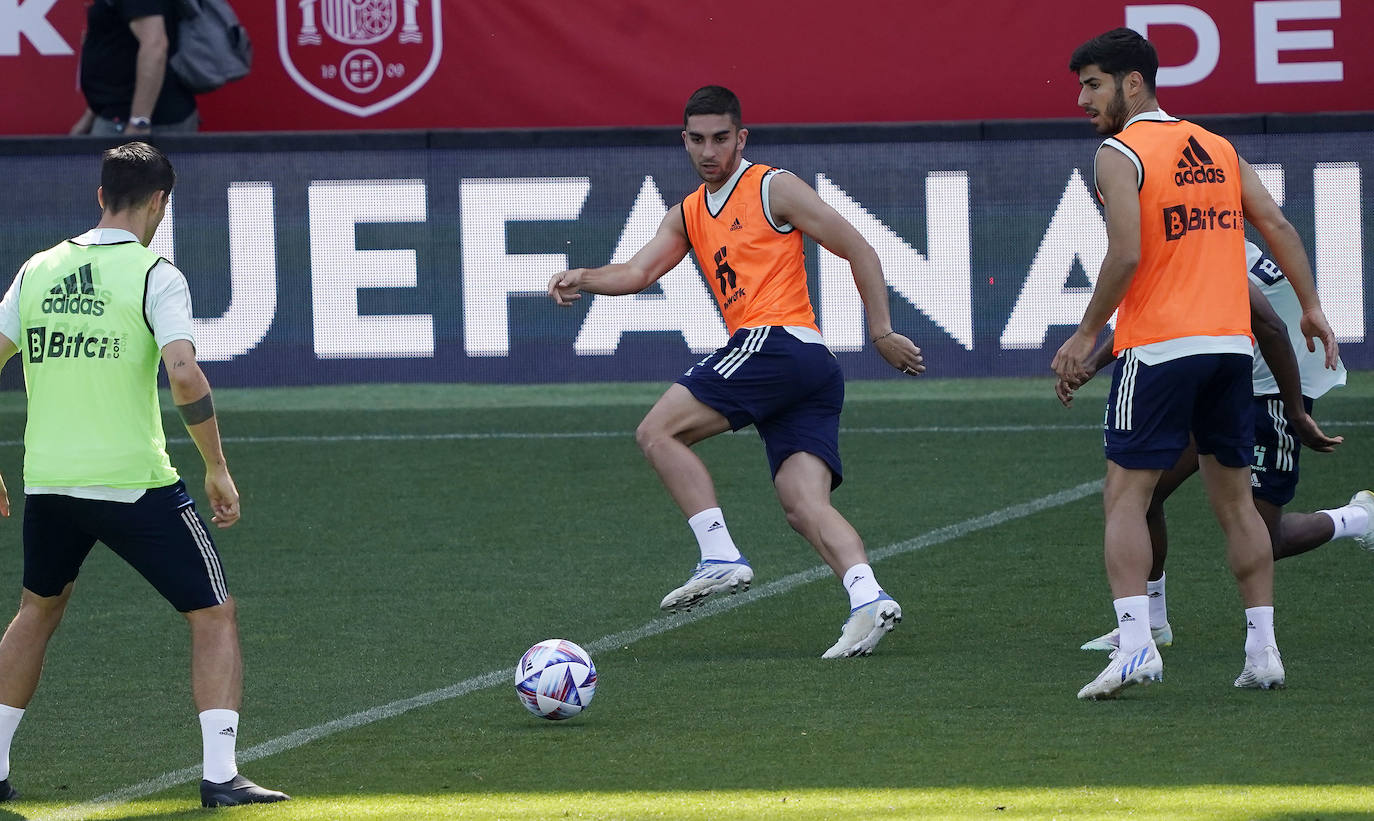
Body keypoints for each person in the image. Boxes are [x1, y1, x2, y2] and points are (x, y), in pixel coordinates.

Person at [548, 86, 923, 658]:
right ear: (684, 141)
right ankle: (868, 598)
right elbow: (639, 271)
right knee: (803, 505)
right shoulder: (689, 212)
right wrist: (584, 276)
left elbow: (859, 248)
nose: (709, 150)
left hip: (776, 345)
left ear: (741, 138)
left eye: (721, 138)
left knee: (657, 431)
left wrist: (880, 331)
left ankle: (719, 555)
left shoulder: (772, 185)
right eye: (697, 139)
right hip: (806, 369)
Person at [1051, 29, 1339, 699]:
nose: (1081, 98)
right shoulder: (1218, 146)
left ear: (1130, 84)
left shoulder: (1118, 153)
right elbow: (1279, 226)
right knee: (1237, 506)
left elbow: (1126, 255)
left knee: (1124, 494)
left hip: (1159, 347)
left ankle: (1135, 645)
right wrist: (1312, 306)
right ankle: (1263, 650)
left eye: (1092, 84)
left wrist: (1084, 333)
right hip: (1228, 349)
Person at [0, 143, 284, 807]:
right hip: (132, 481)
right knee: (213, 611)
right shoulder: (156, 273)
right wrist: (216, 466)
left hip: (49, 481)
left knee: (36, 612)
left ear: (101, 195)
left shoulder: (37, 269)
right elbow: (183, 371)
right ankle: (221, 774)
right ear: (160, 203)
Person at [1059, 240, 1371, 652]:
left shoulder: (1207, 246)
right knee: (1143, 496)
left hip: (1273, 386)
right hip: (1223, 376)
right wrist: (1091, 366)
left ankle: (1357, 518)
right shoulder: (1190, 232)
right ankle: (1151, 624)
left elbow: (1273, 328)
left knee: (1264, 538)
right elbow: (1155, 311)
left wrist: (1294, 412)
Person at [71, 0, 198, 136]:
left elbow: (155, 46)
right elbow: (116, 40)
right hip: (118, 113)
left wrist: (139, 124)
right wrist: (92, 113)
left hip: (139, 121)